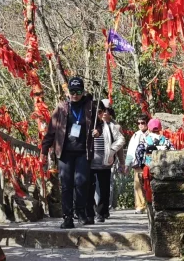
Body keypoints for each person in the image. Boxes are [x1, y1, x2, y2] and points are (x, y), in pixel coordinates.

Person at [41, 76, 97, 227]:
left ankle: (81, 212)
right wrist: (43, 151)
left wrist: (97, 131)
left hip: (83, 151)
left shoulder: (91, 106)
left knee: (82, 182)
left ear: (83, 91)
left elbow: (100, 124)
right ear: (68, 92)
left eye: (78, 91)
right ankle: (67, 217)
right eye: (72, 91)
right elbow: (50, 131)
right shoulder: (61, 107)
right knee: (66, 184)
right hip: (64, 152)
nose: (75, 94)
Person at [91, 101, 125, 223]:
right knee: (89, 187)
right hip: (90, 162)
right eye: (100, 111)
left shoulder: (112, 126)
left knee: (104, 188)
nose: (103, 113)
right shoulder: (89, 124)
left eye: (105, 110)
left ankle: (101, 212)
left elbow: (121, 141)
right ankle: (92, 210)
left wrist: (113, 151)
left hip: (105, 162)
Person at [125, 110, 150, 207]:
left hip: (148, 164)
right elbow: (130, 151)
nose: (140, 125)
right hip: (137, 165)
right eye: (138, 123)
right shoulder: (135, 135)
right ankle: (140, 206)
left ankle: (149, 204)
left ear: (147, 123)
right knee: (137, 185)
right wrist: (127, 164)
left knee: (148, 185)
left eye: (143, 123)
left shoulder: (152, 134)